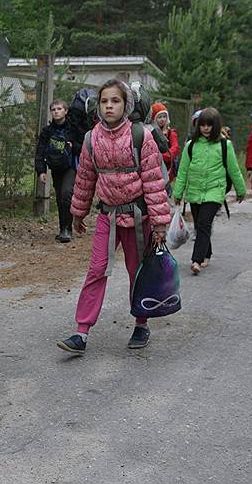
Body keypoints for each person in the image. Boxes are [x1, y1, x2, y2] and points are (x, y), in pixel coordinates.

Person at [55, 79, 170, 355]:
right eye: (104, 101)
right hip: (108, 216)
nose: (109, 106)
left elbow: (154, 182)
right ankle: (81, 332)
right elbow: (84, 178)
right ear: (98, 105)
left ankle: (141, 324)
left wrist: (159, 223)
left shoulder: (141, 136)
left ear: (126, 104)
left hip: (139, 217)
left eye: (115, 101)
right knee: (96, 271)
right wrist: (78, 213)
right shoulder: (91, 138)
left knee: (137, 272)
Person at [172, 108, 246, 275]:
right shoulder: (191, 146)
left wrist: (240, 190)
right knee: (200, 224)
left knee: (204, 224)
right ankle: (207, 253)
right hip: (194, 191)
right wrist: (178, 194)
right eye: (202, 125)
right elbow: (182, 171)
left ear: (216, 126)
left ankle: (196, 260)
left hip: (214, 191)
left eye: (209, 125)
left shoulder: (224, 145)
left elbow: (234, 170)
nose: (205, 128)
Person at [34, 99, 82, 242]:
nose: (56, 111)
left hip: (71, 167)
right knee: (61, 198)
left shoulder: (73, 129)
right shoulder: (47, 132)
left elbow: (84, 147)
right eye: (53, 109)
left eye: (59, 109)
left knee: (67, 193)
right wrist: (41, 170)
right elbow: (40, 151)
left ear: (65, 111)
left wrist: (72, 146)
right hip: (56, 168)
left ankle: (67, 229)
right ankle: (63, 228)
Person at [151, 102, 180, 181]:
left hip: (167, 169)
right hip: (153, 167)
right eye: (159, 117)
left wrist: (162, 157)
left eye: (164, 116)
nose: (162, 119)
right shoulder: (149, 133)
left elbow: (175, 148)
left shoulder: (171, 133)